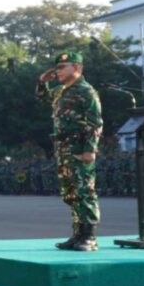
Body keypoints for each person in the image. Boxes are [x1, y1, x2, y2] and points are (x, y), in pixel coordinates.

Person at [36, 51, 103, 251]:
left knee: (85, 190)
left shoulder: (85, 91)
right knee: (71, 192)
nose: (57, 72)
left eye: (61, 67)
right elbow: (43, 98)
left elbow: (95, 122)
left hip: (79, 148)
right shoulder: (61, 91)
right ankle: (77, 234)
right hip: (64, 149)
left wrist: (90, 150)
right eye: (56, 68)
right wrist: (42, 81)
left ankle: (90, 236)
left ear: (76, 67)